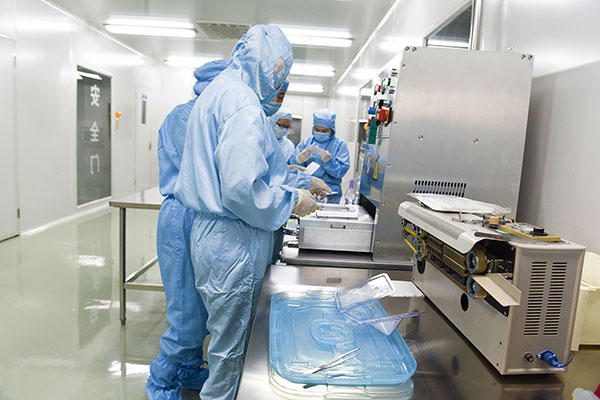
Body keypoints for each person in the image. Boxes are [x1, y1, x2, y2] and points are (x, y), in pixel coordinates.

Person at [173, 25, 319, 400]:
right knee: (231, 355)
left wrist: (297, 183)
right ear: (265, 66)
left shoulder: (220, 92)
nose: (278, 84)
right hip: (233, 239)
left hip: (215, 235)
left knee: (225, 343)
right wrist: (292, 202)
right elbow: (242, 190)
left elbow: (250, 168)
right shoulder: (244, 105)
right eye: (278, 74)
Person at [145, 59, 229, 400]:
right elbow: (210, 168)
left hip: (203, 216)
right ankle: (161, 380)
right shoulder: (187, 116)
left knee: (200, 306)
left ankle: (188, 368)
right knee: (185, 311)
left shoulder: (213, 116)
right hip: (183, 217)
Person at [268, 106, 331, 262]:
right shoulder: (264, 141)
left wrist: (292, 168)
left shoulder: (288, 145)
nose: (284, 129)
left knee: (275, 242)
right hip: (272, 198)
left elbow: (280, 171)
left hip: (286, 195)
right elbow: (270, 178)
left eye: (287, 126)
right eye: (281, 125)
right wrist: (305, 181)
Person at [293, 109, 351, 203]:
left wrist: (329, 162)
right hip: (307, 191)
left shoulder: (340, 145)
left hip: (330, 193)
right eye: (317, 130)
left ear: (332, 130)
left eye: (324, 131)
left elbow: (341, 172)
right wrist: (298, 160)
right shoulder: (306, 143)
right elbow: (293, 170)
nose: (320, 132)